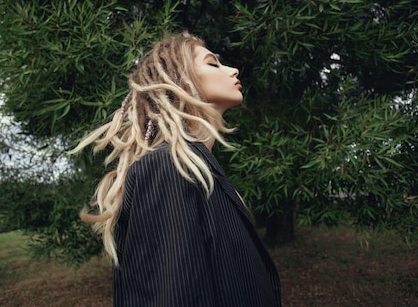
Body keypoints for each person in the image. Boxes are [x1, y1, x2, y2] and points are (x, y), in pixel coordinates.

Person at [71, 32, 282, 307]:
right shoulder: (169, 168)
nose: (233, 70)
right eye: (212, 63)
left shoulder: (199, 168)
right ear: (180, 80)